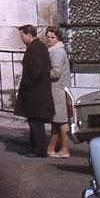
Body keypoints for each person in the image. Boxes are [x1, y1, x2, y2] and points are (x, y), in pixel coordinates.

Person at [15, 24, 54, 158]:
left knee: (36, 123)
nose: (21, 38)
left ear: (28, 35)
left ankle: (39, 150)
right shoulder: (38, 47)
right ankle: (33, 148)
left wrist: (26, 84)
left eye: (22, 35)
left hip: (35, 92)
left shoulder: (35, 48)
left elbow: (36, 72)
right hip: (36, 92)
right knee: (33, 121)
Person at [45, 26, 72, 158]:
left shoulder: (57, 52)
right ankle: (51, 148)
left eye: (52, 37)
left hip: (59, 90)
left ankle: (65, 150)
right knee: (56, 120)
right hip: (57, 89)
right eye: (48, 37)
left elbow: (56, 73)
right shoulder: (55, 50)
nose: (49, 39)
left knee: (62, 121)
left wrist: (42, 73)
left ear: (58, 38)